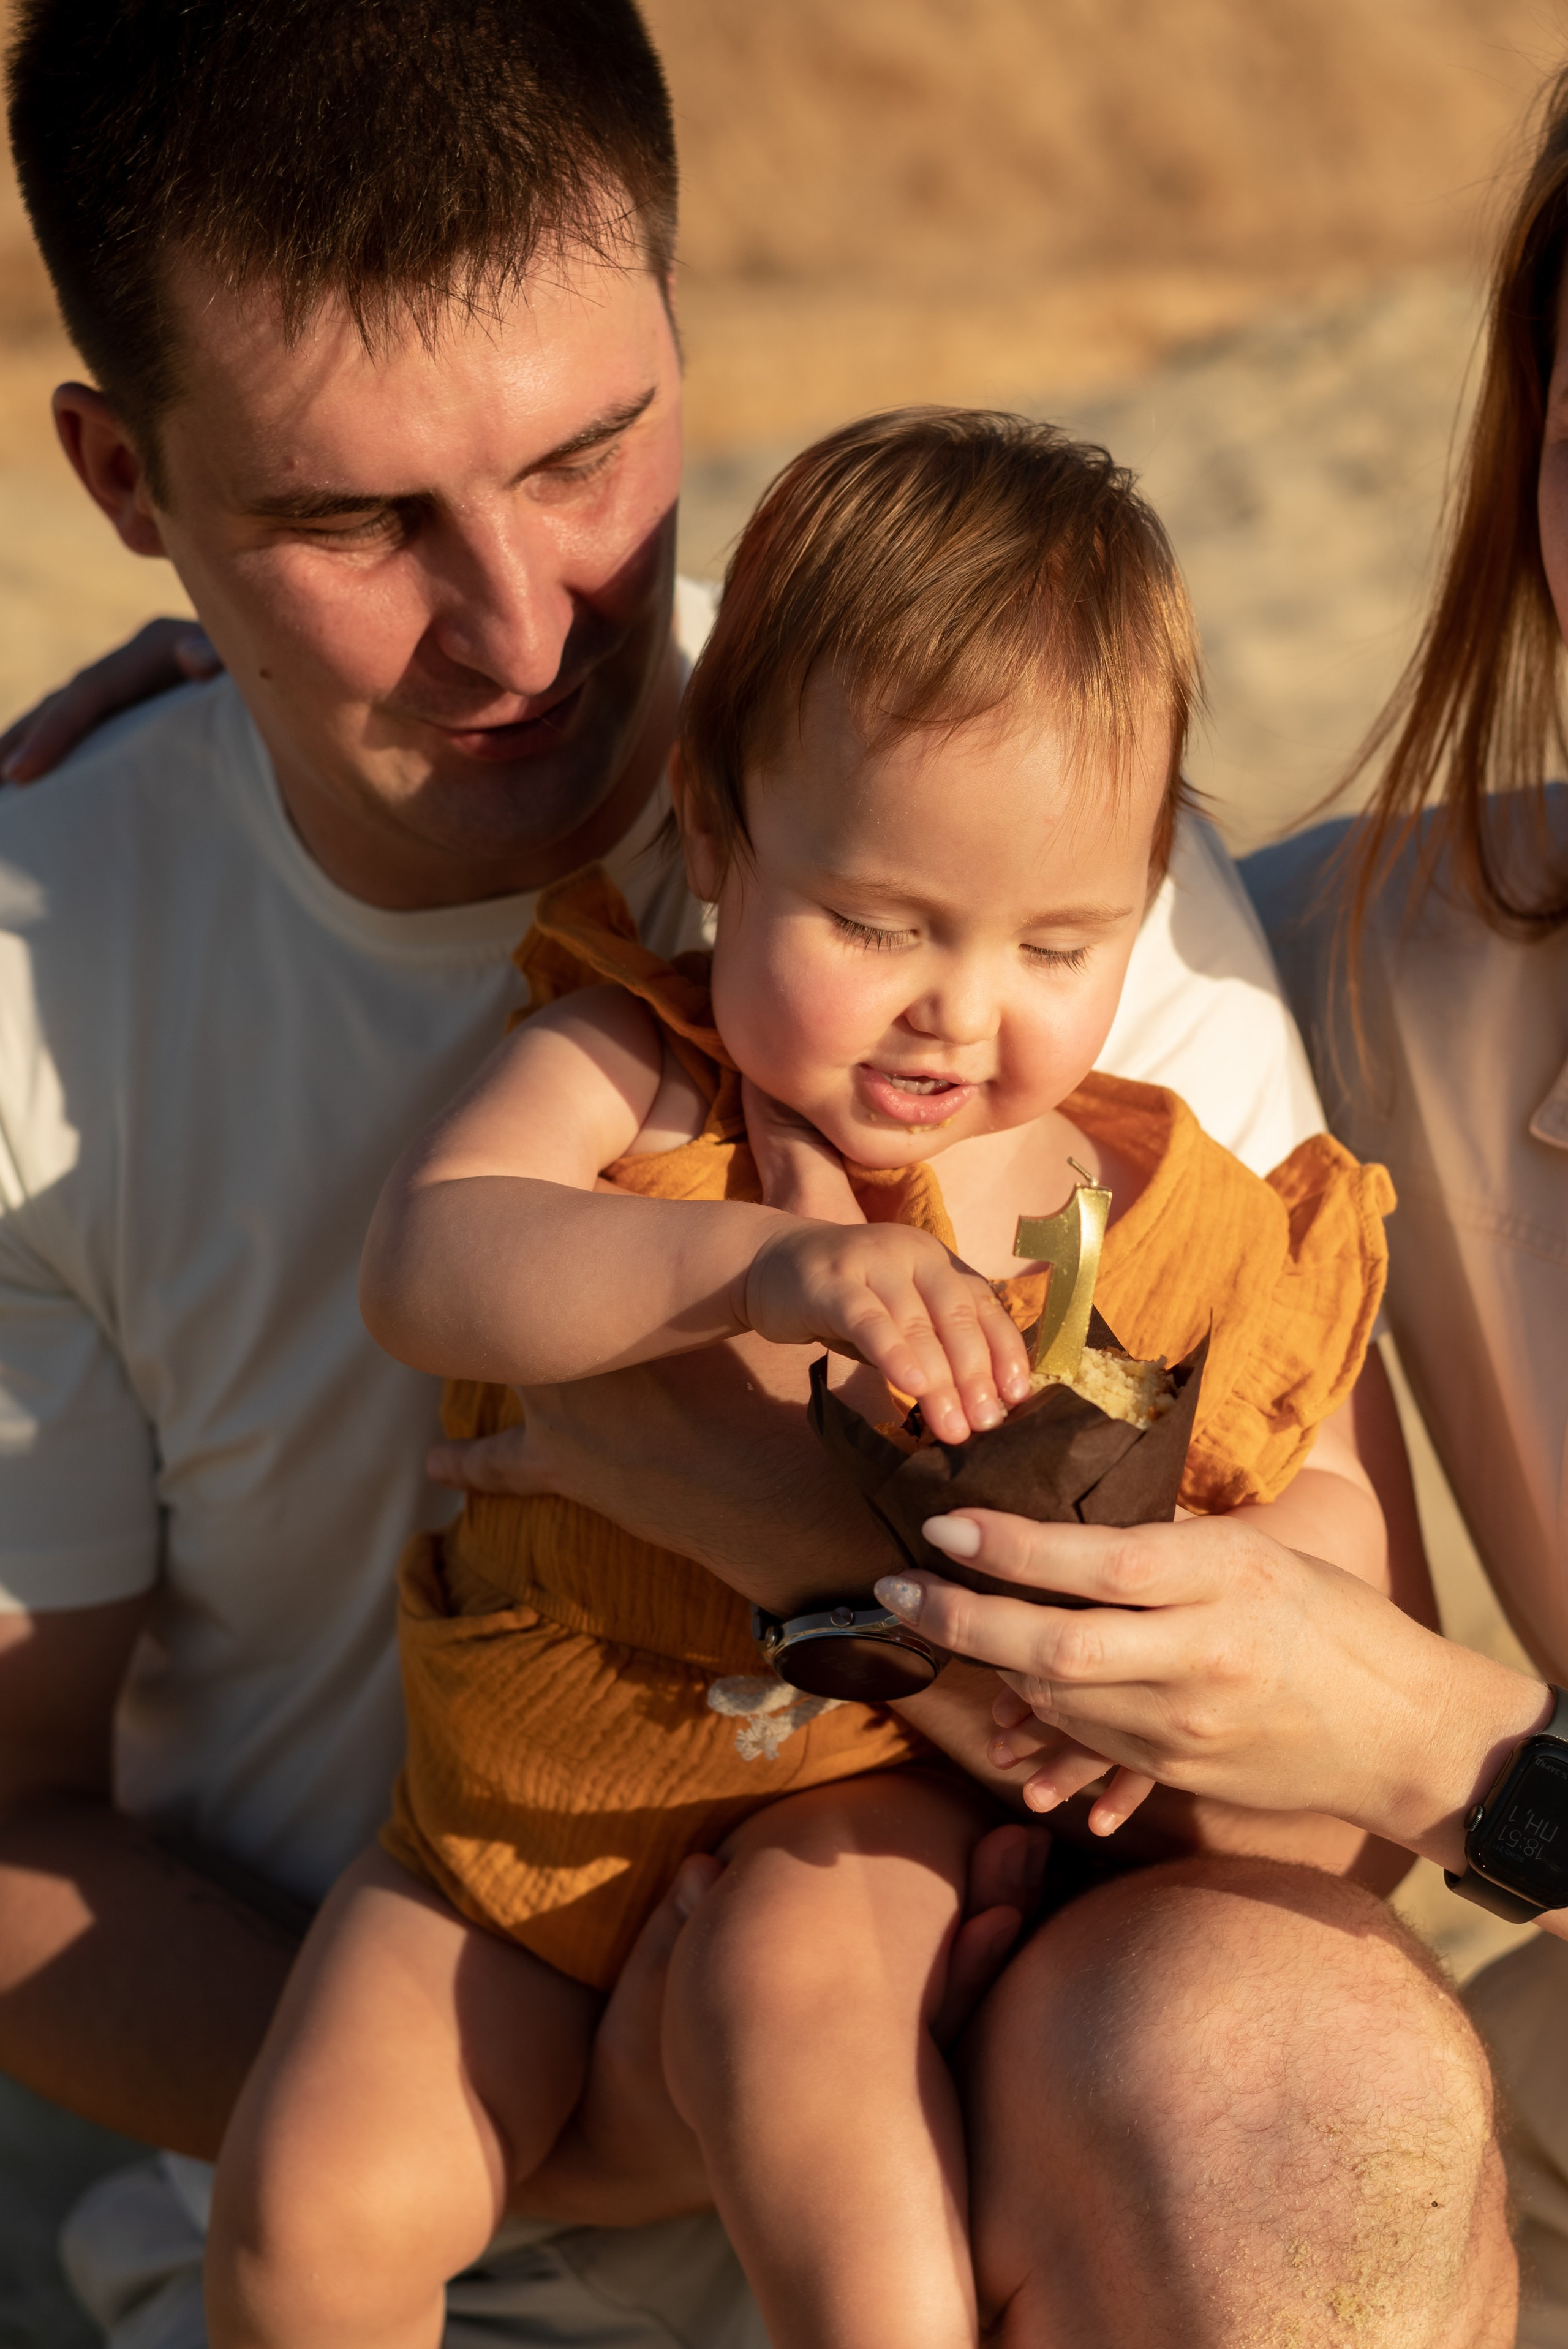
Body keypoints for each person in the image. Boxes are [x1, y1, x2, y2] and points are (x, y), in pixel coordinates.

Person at [0, 6, 1509, 2347]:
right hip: (409, 2085)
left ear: (686, 340)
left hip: (952, 2119)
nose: (524, 628)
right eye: (350, 519)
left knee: (1301, 2069)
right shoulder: (45, 984)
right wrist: (560, 2121)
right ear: (124, 479)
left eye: (592, 456)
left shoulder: (1009, 839)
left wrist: (834, 1554)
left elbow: (1340, 1797)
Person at [203, 407, 1397, 2349]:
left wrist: (1175, 1661)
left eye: (1060, 941)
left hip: (843, 1809)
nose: (960, 1004)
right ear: (717, 837)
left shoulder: (1150, 1207)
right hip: (511, 1830)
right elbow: (434, 1258)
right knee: (313, 2210)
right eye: (877, 922)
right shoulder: (645, 1058)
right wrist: (764, 1259)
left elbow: (1313, 1497)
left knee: (822, 2112)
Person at [844, 59, 1568, 2349]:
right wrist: (264, 740)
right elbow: (942, 883)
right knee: (1261, 2106)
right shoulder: (1402, 953)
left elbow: (1416, 1763)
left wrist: (1450, 1753)